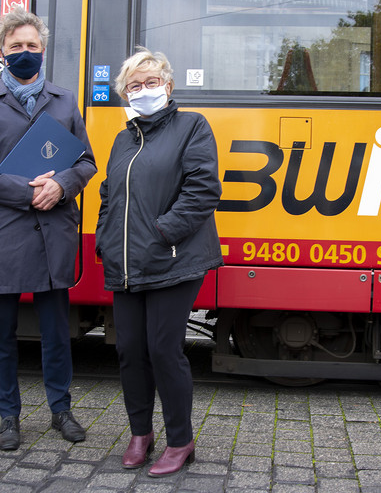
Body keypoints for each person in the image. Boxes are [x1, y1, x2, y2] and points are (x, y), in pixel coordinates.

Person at [0, 8, 96, 451]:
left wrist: (62, 184)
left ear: (43, 50)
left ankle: (61, 410)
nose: (25, 52)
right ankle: (9, 417)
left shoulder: (65, 100)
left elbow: (87, 162)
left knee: (57, 331)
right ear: (1, 53)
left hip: (53, 230)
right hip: (5, 232)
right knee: (1, 333)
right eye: (16, 46)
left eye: (32, 46)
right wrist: (27, 191)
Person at [95, 47, 223, 477]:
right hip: (128, 263)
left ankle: (180, 441)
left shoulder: (192, 126)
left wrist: (162, 232)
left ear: (167, 86)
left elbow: (203, 190)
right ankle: (139, 435)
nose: (144, 90)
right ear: (124, 95)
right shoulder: (123, 138)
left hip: (174, 258)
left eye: (152, 81)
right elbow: (109, 195)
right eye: (134, 85)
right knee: (131, 351)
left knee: (164, 350)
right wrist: (105, 240)